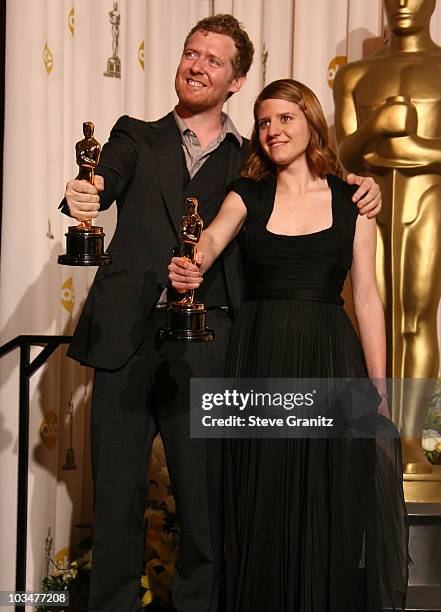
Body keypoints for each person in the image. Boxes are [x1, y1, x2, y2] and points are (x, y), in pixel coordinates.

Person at [61, 14, 383, 612]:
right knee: (114, 508)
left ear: (235, 81)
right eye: (190, 52)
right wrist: (85, 192)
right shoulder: (136, 133)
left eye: (213, 59)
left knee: (208, 514)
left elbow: (307, 184)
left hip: (213, 344)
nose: (196, 65)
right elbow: (101, 178)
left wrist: (363, 186)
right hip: (124, 341)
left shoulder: (251, 159)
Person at [169, 79, 408, 612]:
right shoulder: (247, 194)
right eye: (263, 121)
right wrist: (190, 264)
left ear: (311, 124)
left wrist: (379, 389)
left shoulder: (352, 201)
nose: (273, 130)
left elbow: (367, 300)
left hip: (330, 360)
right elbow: (207, 241)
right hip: (260, 361)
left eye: (285, 118)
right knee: (263, 500)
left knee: (327, 501)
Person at [333, 0, 441, 474]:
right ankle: (370, 431)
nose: (401, 3)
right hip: (364, 206)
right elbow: (343, 155)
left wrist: (410, 146)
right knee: (363, 317)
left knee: (415, 319)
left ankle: (412, 442)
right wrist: (378, 125)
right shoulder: (354, 75)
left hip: (428, 198)